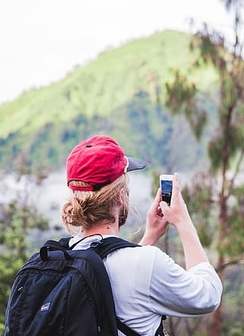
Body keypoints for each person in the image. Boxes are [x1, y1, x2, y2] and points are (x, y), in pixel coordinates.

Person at [61, 135, 222, 335]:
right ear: (120, 197)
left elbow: (107, 266)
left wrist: (149, 237)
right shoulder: (146, 264)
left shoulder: (61, 257)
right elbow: (209, 295)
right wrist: (183, 221)